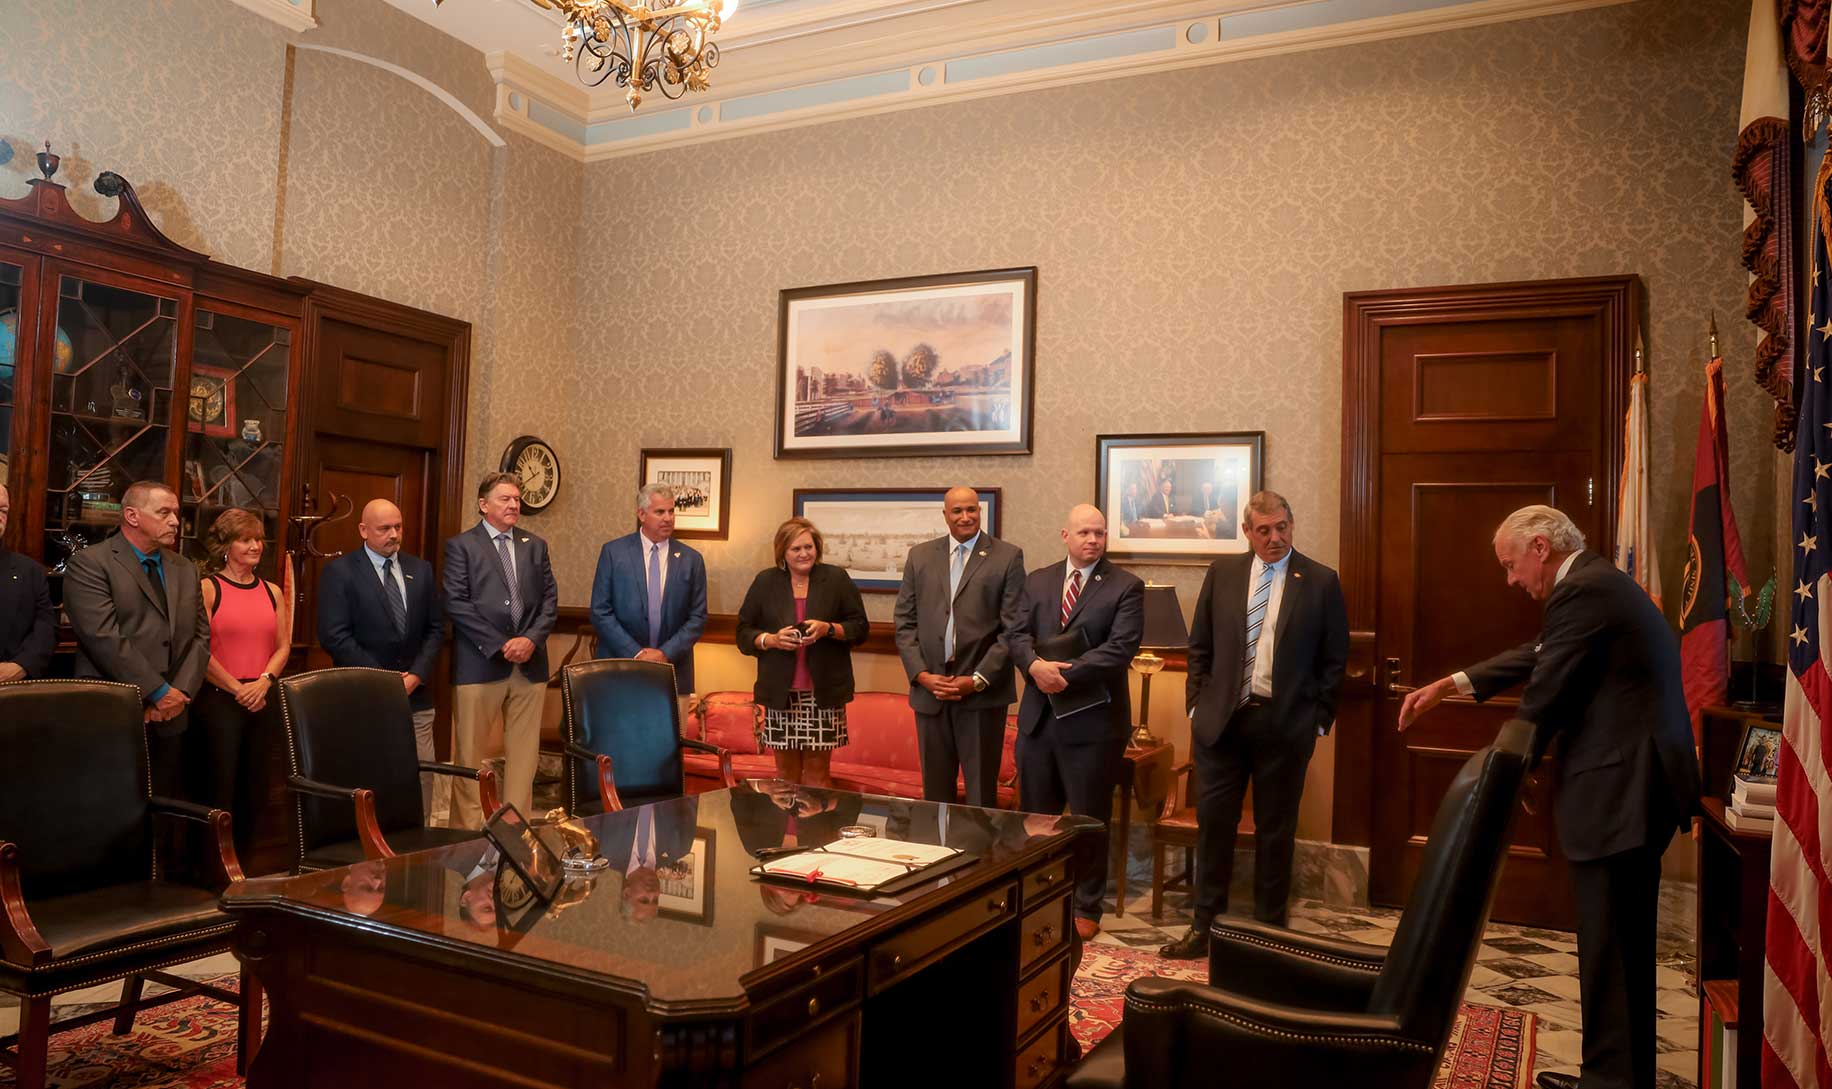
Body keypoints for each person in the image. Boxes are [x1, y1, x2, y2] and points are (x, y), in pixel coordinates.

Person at [1397, 505, 1700, 1089]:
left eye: (1511, 565)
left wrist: (1499, 775)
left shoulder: (1583, 589)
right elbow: (1541, 654)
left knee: (1613, 945)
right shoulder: (1592, 584)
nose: (1512, 580)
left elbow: (1547, 691)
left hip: (1624, 790)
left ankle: (1612, 1081)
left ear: (1540, 546)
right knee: (1615, 944)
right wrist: (1452, 684)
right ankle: (1612, 1075)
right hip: (1634, 785)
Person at [1160, 491, 1348, 958]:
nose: (1275, 537)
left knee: (1275, 830)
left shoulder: (1320, 581)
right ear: (1247, 532)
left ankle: (1269, 934)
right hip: (1222, 724)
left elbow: (1334, 658)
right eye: (1263, 530)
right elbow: (1199, 646)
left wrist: (1318, 721)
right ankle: (1204, 927)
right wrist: (1195, 707)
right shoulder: (1223, 573)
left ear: (1291, 524)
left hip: (1284, 726)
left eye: (1282, 527)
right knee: (1215, 825)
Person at [1007, 504, 1144, 939]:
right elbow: (1014, 635)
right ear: (1065, 535)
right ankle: (1039, 893)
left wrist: (1060, 673)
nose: (1093, 540)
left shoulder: (1126, 586)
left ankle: (1086, 906)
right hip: (1038, 722)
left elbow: (1119, 649)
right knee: (1036, 817)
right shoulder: (1038, 580)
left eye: (1100, 533)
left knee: (1088, 818)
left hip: (1093, 726)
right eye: (1085, 532)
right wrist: (1032, 667)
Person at [64, 481, 210, 798]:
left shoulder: (185, 569)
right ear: (132, 516)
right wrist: (156, 691)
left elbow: (201, 636)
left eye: (176, 512)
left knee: (163, 810)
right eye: (164, 512)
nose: (175, 520)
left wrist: (178, 693)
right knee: (109, 810)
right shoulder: (91, 563)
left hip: (173, 715)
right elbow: (103, 637)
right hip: (112, 711)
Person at [892, 486, 1025, 806]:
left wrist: (977, 680)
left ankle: (982, 857)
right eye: (957, 511)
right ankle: (937, 856)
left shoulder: (1007, 556)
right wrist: (922, 675)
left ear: (980, 512)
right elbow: (904, 622)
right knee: (935, 794)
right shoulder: (920, 555)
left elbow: (1013, 629)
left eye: (972, 510)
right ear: (945, 515)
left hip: (981, 694)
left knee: (981, 794)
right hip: (930, 691)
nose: (965, 517)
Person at [318, 499, 446, 821]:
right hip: (364, 697)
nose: (393, 535)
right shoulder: (340, 572)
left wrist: (415, 675)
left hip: (415, 697)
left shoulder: (421, 569)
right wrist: (386, 680)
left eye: (398, 527)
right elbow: (335, 637)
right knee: (370, 782)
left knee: (421, 779)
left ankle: (419, 851)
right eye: (384, 528)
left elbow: (436, 629)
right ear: (363, 530)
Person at [444, 472, 559, 828]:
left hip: (529, 665)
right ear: (483, 505)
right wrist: (500, 644)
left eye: (516, 499)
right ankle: (465, 835)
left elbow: (550, 601)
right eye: (504, 499)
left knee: (524, 758)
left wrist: (530, 640)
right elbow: (456, 602)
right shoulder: (462, 546)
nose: (513, 505)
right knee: (470, 757)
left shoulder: (535, 545)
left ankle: (517, 832)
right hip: (480, 664)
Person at [736, 518, 869, 788]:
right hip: (780, 695)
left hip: (822, 695)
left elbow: (860, 628)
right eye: (796, 549)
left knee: (818, 778)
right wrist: (770, 640)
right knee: (785, 781)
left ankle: (817, 831)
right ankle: (789, 832)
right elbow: (743, 633)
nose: (804, 554)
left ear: (817, 548)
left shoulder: (835, 579)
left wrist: (827, 629)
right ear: (782, 552)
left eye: (808, 547)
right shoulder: (766, 581)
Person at [193, 507, 293, 859]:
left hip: (263, 698)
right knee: (219, 788)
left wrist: (263, 682)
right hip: (221, 700)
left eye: (258, 539)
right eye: (245, 539)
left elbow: (283, 646)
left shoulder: (273, 592)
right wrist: (239, 689)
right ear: (226, 546)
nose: (255, 546)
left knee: (256, 788)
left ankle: (244, 866)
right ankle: (213, 868)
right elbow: (199, 653)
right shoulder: (208, 588)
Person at [589, 483, 709, 719]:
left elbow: (698, 617)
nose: (668, 518)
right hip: (619, 668)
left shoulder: (691, 559)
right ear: (641, 514)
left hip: (673, 671)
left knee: (668, 748)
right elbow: (600, 611)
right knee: (619, 745)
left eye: (671, 511)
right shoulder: (614, 553)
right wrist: (637, 654)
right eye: (660, 512)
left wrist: (664, 653)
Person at [0, 483, 54, 681]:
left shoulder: (30, 571)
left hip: (12, 694)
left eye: (3, 510)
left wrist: (22, 666)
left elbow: (45, 627)